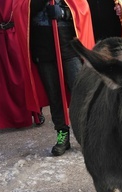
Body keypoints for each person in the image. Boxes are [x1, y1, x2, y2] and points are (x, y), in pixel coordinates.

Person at [16, 0, 95, 155]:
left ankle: (89, 135)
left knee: (80, 92)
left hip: (68, 45)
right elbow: (20, 9)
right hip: (43, 46)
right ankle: (62, 134)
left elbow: (81, 8)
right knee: (54, 95)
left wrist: (64, 12)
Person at [0, 0, 47, 129]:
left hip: (18, 33)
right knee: (3, 82)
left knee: (24, 76)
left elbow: (30, 9)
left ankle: (36, 111)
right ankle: (10, 118)